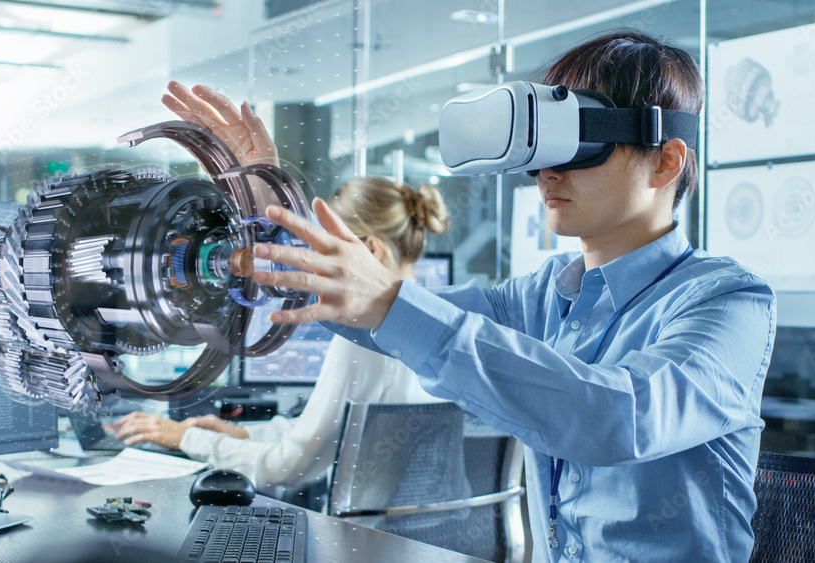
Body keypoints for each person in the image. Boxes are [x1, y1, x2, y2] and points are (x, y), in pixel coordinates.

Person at [242, 30, 777, 562]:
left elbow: (619, 417)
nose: (548, 171)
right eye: (545, 144)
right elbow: (367, 309)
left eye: (579, 143)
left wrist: (390, 303)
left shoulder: (729, 301)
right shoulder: (543, 296)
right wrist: (271, 216)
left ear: (665, 161)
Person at [116, 85, 451, 490]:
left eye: (328, 250)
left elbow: (287, 468)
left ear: (371, 251)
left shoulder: (367, 337)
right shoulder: (440, 325)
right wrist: (240, 433)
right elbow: (323, 437)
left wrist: (185, 437)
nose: (315, 265)